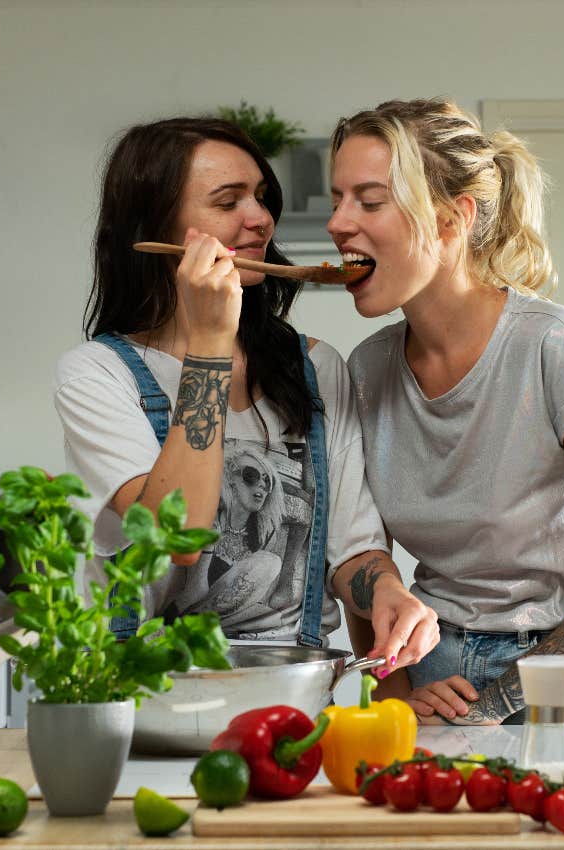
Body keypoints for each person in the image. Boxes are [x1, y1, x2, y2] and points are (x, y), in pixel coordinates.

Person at [327, 98, 564, 724]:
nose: (337, 223)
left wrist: (497, 704)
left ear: (450, 219)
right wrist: (397, 691)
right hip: (434, 680)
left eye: (369, 199)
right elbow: (362, 554)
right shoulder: (365, 370)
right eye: (337, 198)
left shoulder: (557, 347)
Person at [53, 116, 439, 668]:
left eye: (260, 197)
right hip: (148, 690)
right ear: (158, 225)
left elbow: (354, 549)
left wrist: (388, 594)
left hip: (293, 686)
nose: (260, 219)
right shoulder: (97, 377)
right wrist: (211, 341)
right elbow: (177, 536)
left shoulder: (317, 367)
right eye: (228, 201)